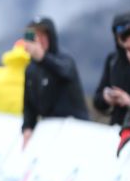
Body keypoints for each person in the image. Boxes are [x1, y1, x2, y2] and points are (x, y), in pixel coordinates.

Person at [21, 17, 89, 146]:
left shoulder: (65, 60)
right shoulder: (31, 69)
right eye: (34, 36)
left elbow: (65, 72)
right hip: (51, 133)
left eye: (43, 35)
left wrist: (43, 57)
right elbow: (28, 105)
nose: (39, 40)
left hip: (75, 132)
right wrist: (27, 127)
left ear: (51, 36)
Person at [91, 12, 130, 125]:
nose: (124, 33)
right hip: (116, 127)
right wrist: (107, 98)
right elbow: (97, 100)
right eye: (119, 29)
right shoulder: (112, 61)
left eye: (128, 28)